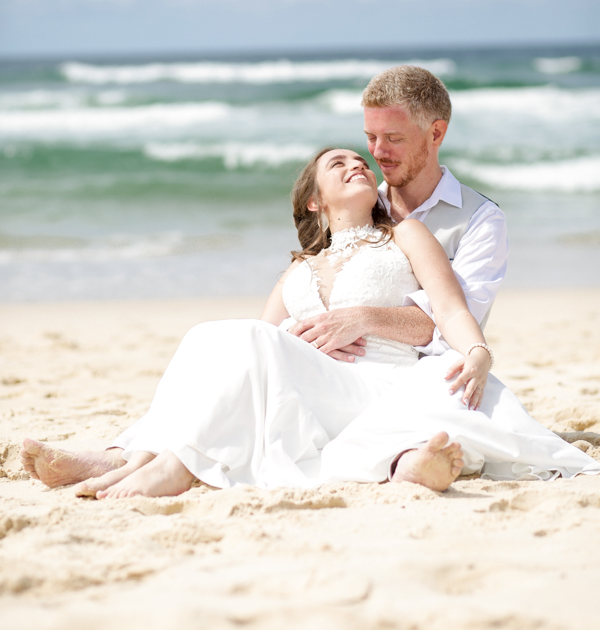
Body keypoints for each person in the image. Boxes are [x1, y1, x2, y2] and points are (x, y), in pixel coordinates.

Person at [21, 148, 599, 499]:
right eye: (337, 164)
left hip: (380, 384)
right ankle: (130, 456)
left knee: (245, 339)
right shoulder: (297, 269)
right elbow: (241, 359)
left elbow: (447, 311)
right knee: (210, 338)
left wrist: (478, 352)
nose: (357, 164)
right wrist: (293, 347)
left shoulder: (404, 235)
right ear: (315, 202)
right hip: (312, 391)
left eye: (359, 160)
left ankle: (171, 467)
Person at [288, 65, 508, 364]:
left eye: (393, 138)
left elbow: (454, 325)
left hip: (430, 374)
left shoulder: (480, 219)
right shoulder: (352, 208)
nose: (378, 152)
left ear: (435, 133)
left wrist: (365, 319)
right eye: (371, 137)